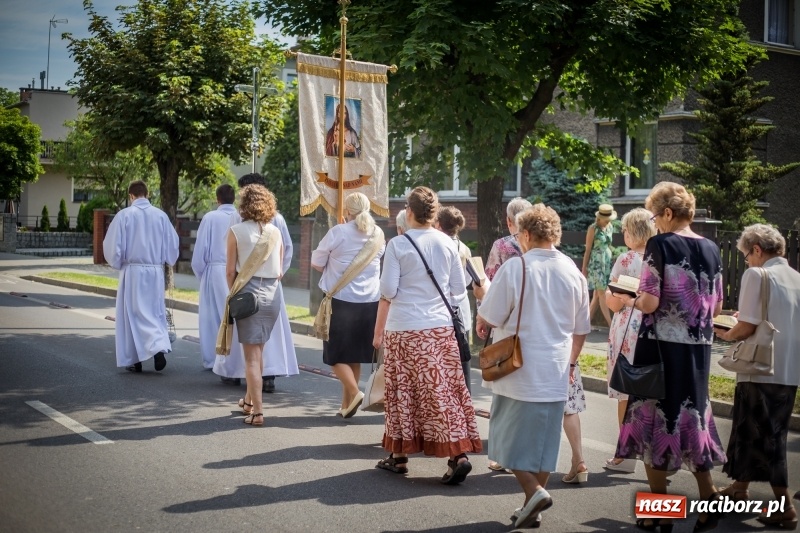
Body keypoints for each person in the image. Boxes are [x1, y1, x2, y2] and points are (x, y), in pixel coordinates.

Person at [613, 182, 727, 533]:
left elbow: (649, 301)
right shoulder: (710, 247)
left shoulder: (659, 244)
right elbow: (718, 305)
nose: (654, 223)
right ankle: (709, 498)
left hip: (660, 348)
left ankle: (660, 510)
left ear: (666, 213)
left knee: (653, 425)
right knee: (691, 417)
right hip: (697, 351)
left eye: (655, 215)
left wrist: (628, 296)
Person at [476, 204, 590, 528]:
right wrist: (570, 363)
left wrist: (482, 322)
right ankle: (532, 508)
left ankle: (534, 491)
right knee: (543, 447)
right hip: (555, 370)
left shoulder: (516, 268)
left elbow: (491, 315)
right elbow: (581, 331)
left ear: (525, 234)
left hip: (517, 370)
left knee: (503, 440)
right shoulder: (572, 271)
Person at [372, 186, 481, 485]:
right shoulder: (448, 244)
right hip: (439, 330)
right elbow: (459, 290)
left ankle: (399, 455)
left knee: (401, 393)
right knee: (442, 391)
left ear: (409, 212)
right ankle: (457, 454)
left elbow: (388, 292)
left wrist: (377, 333)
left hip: (404, 329)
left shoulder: (398, 245)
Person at [714, 224, 800, 530]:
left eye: (746, 256)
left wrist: (725, 332)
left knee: (768, 438)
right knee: (753, 430)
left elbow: (747, 328)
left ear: (757, 250)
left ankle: (785, 507)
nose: (747, 262)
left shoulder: (757, 274)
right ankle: (740, 487)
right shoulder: (795, 277)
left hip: (760, 368)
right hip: (788, 369)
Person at [223, 173, 299, 392]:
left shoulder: (237, 218)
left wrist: (234, 287)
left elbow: (229, 255)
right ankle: (269, 374)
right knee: (269, 334)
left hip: (244, 284)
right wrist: (278, 275)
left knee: (246, 336)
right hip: (271, 284)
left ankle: (240, 377)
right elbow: (287, 250)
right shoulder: (277, 219)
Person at [311, 192, 385, 418]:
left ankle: (355, 392)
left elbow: (316, 263)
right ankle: (346, 405)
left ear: (347, 211)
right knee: (352, 355)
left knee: (334, 355)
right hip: (370, 302)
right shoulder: (378, 233)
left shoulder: (338, 232)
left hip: (342, 302)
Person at [103, 180, 179, 372]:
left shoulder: (124, 215)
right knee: (153, 312)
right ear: (147, 194)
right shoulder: (161, 216)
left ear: (131, 196)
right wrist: (166, 260)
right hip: (155, 272)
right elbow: (172, 248)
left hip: (133, 271)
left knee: (132, 315)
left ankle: (136, 359)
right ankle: (157, 348)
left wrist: (118, 263)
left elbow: (114, 248)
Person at [603, 208, 656, 473]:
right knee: (649, 393)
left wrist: (620, 297)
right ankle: (654, 457)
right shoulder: (660, 257)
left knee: (626, 391)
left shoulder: (625, 260)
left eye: (624, 229)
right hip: (653, 329)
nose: (622, 234)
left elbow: (612, 303)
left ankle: (625, 456)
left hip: (627, 328)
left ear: (633, 231)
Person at [226, 185, 284, 426]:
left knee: (250, 357)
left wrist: (234, 294)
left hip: (248, 293)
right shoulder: (275, 232)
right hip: (273, 294)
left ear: (244, 205)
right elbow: (280, 271)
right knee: (258, 350)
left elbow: (230, 271)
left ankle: (258, 412)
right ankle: (249, 401)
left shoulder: (235, 231)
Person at [191, 184, 243, 381]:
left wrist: (201, 275)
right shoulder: (240, 217)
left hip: (214, 270)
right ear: (234, 199)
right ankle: (233, 359)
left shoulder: (210, 217)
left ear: (217, 199)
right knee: (234, 318)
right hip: (236, 270)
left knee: (212, 317)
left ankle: (214, 359)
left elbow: (200, 251)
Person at [435, 205, 474, 392]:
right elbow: (466, 280)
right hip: (461, 307)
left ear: (439, 224)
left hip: (443, 308)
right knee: (462, 356)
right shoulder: (463, 247)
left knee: (444, 360)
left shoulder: (439, 246)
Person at [582, 204, 615, 328]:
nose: (609, 221)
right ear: (600, 217)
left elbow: (608, 245)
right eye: (607, 218)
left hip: (606, 262)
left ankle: (585, 323)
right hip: (596, 263)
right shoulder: (593, 228)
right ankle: (611, 324)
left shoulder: (610, 226)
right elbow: (588, 249)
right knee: (602, 293)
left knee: (597, 294)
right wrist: (584, 268)